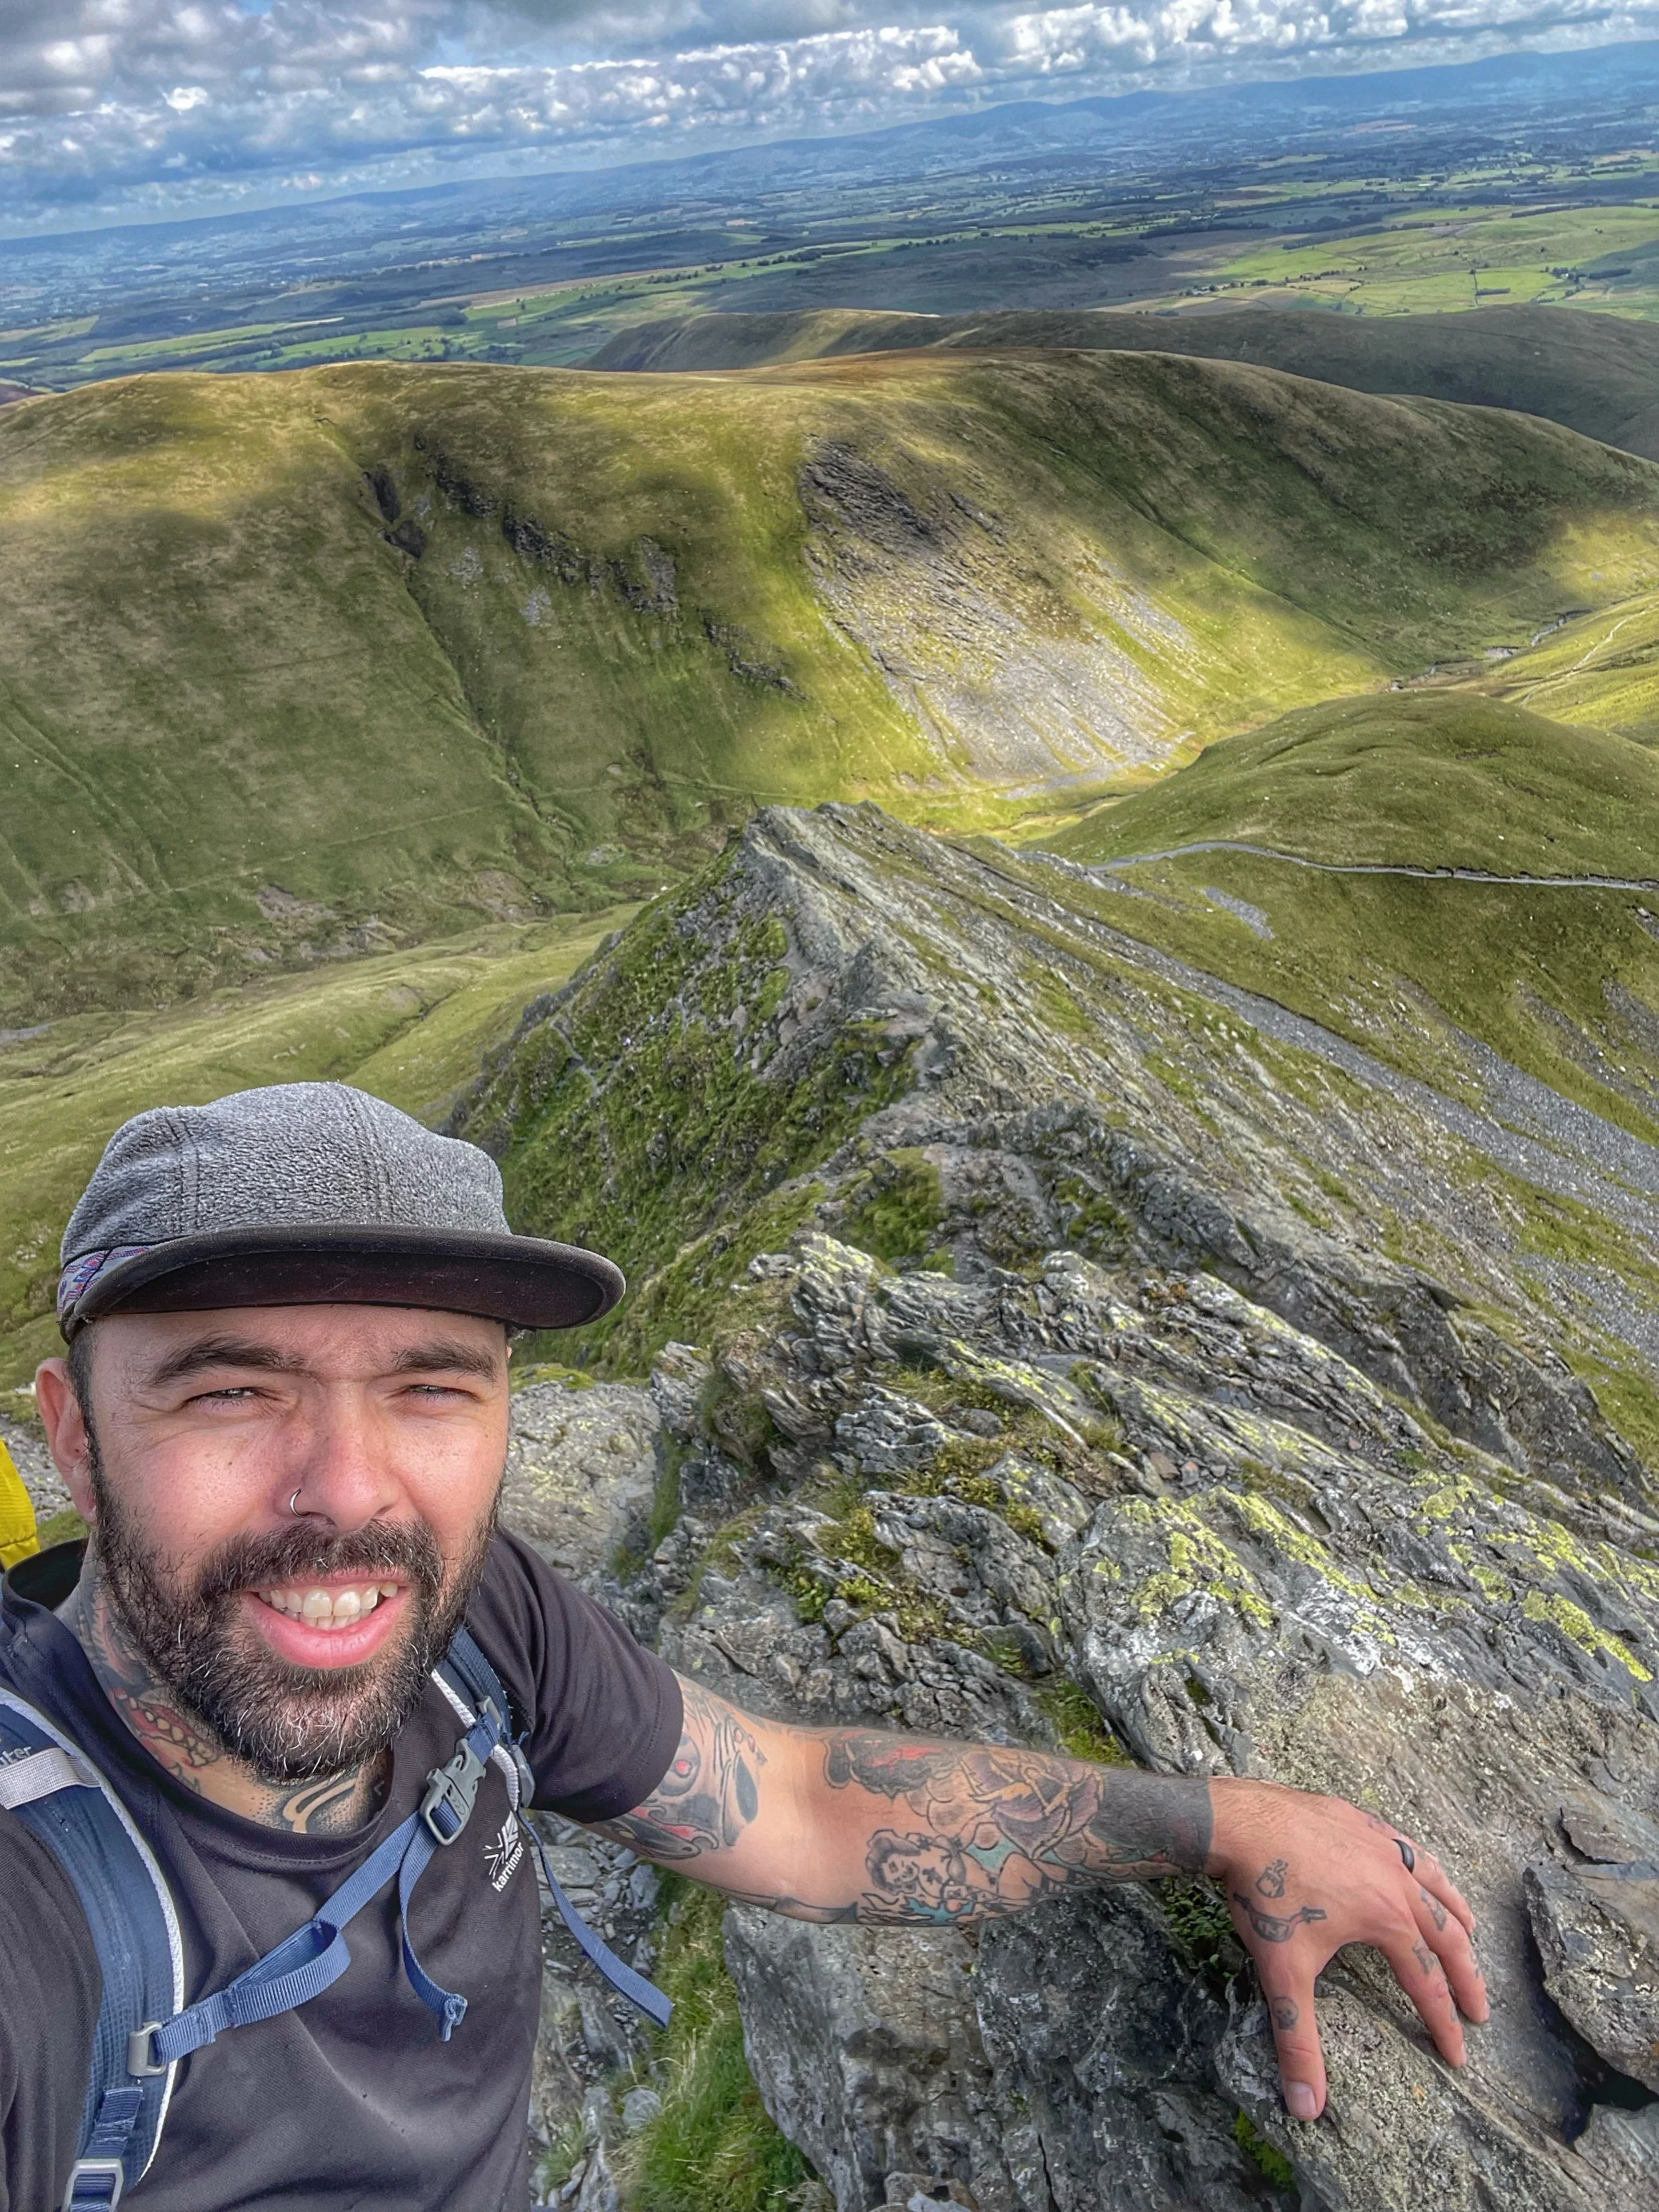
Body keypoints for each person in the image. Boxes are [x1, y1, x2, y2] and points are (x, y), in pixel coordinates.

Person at [1, 1083, 1487, 2211]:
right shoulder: (38, 1914)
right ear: (71, 1440)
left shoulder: (476, 1626)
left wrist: (1227, 1822)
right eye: (229, 1393)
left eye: (430, 1388)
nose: (347, 1489)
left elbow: (794, 1806)